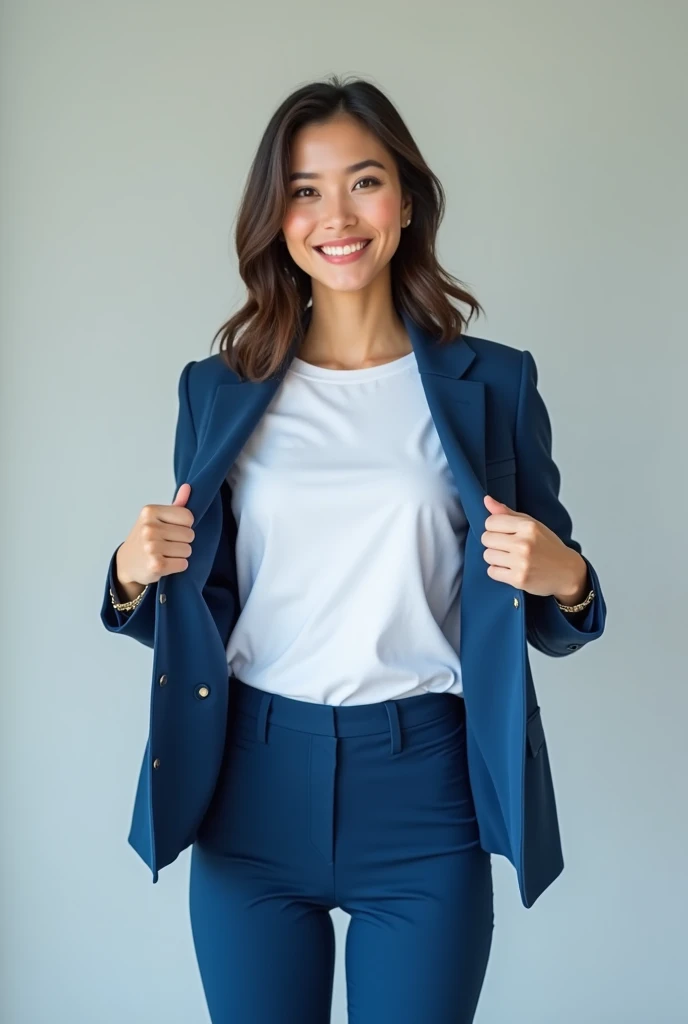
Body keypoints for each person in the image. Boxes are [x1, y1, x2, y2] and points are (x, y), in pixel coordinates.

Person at [102, 75, 607, 1024]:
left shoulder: (491, 383)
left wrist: (570, 580)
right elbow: (198, 604)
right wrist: (133, 577)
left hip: (425, 792)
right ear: (277, 215)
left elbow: (553, 606)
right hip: (250, 784)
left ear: (407, 201)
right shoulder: (217, 389)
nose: (336, 215)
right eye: (304, 189)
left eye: (364, 182)